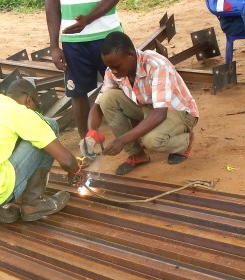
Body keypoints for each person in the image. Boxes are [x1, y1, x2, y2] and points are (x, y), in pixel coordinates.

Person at [0, 79, 85, 224]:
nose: (35, 111)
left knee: (17, 138)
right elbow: (67, 161)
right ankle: (33, 204)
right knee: (49, 126)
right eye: (36, 106)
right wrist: (75, 171)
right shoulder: (20, 112)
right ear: (28, 99)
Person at [80, 31, 200, 176]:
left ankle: (184, 141)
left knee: (152, 141)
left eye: (116, 66)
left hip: (178, 112)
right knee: (107, 98)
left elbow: (160, 113)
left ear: (130, 55)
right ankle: (137, 155)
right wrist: (91, 133)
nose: (113, 71)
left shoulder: (156, 66)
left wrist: (122, 140)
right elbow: (98, 105)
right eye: (110, 67)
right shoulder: (113, 69)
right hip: (148, 108)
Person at [45, 0, 122, 140]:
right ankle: (86, 141)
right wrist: (53, 46)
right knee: (78, 92)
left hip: (108, 35)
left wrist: (88, 19)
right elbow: (51, 6)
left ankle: (134, 138)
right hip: (72, 41)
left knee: (123, 84)